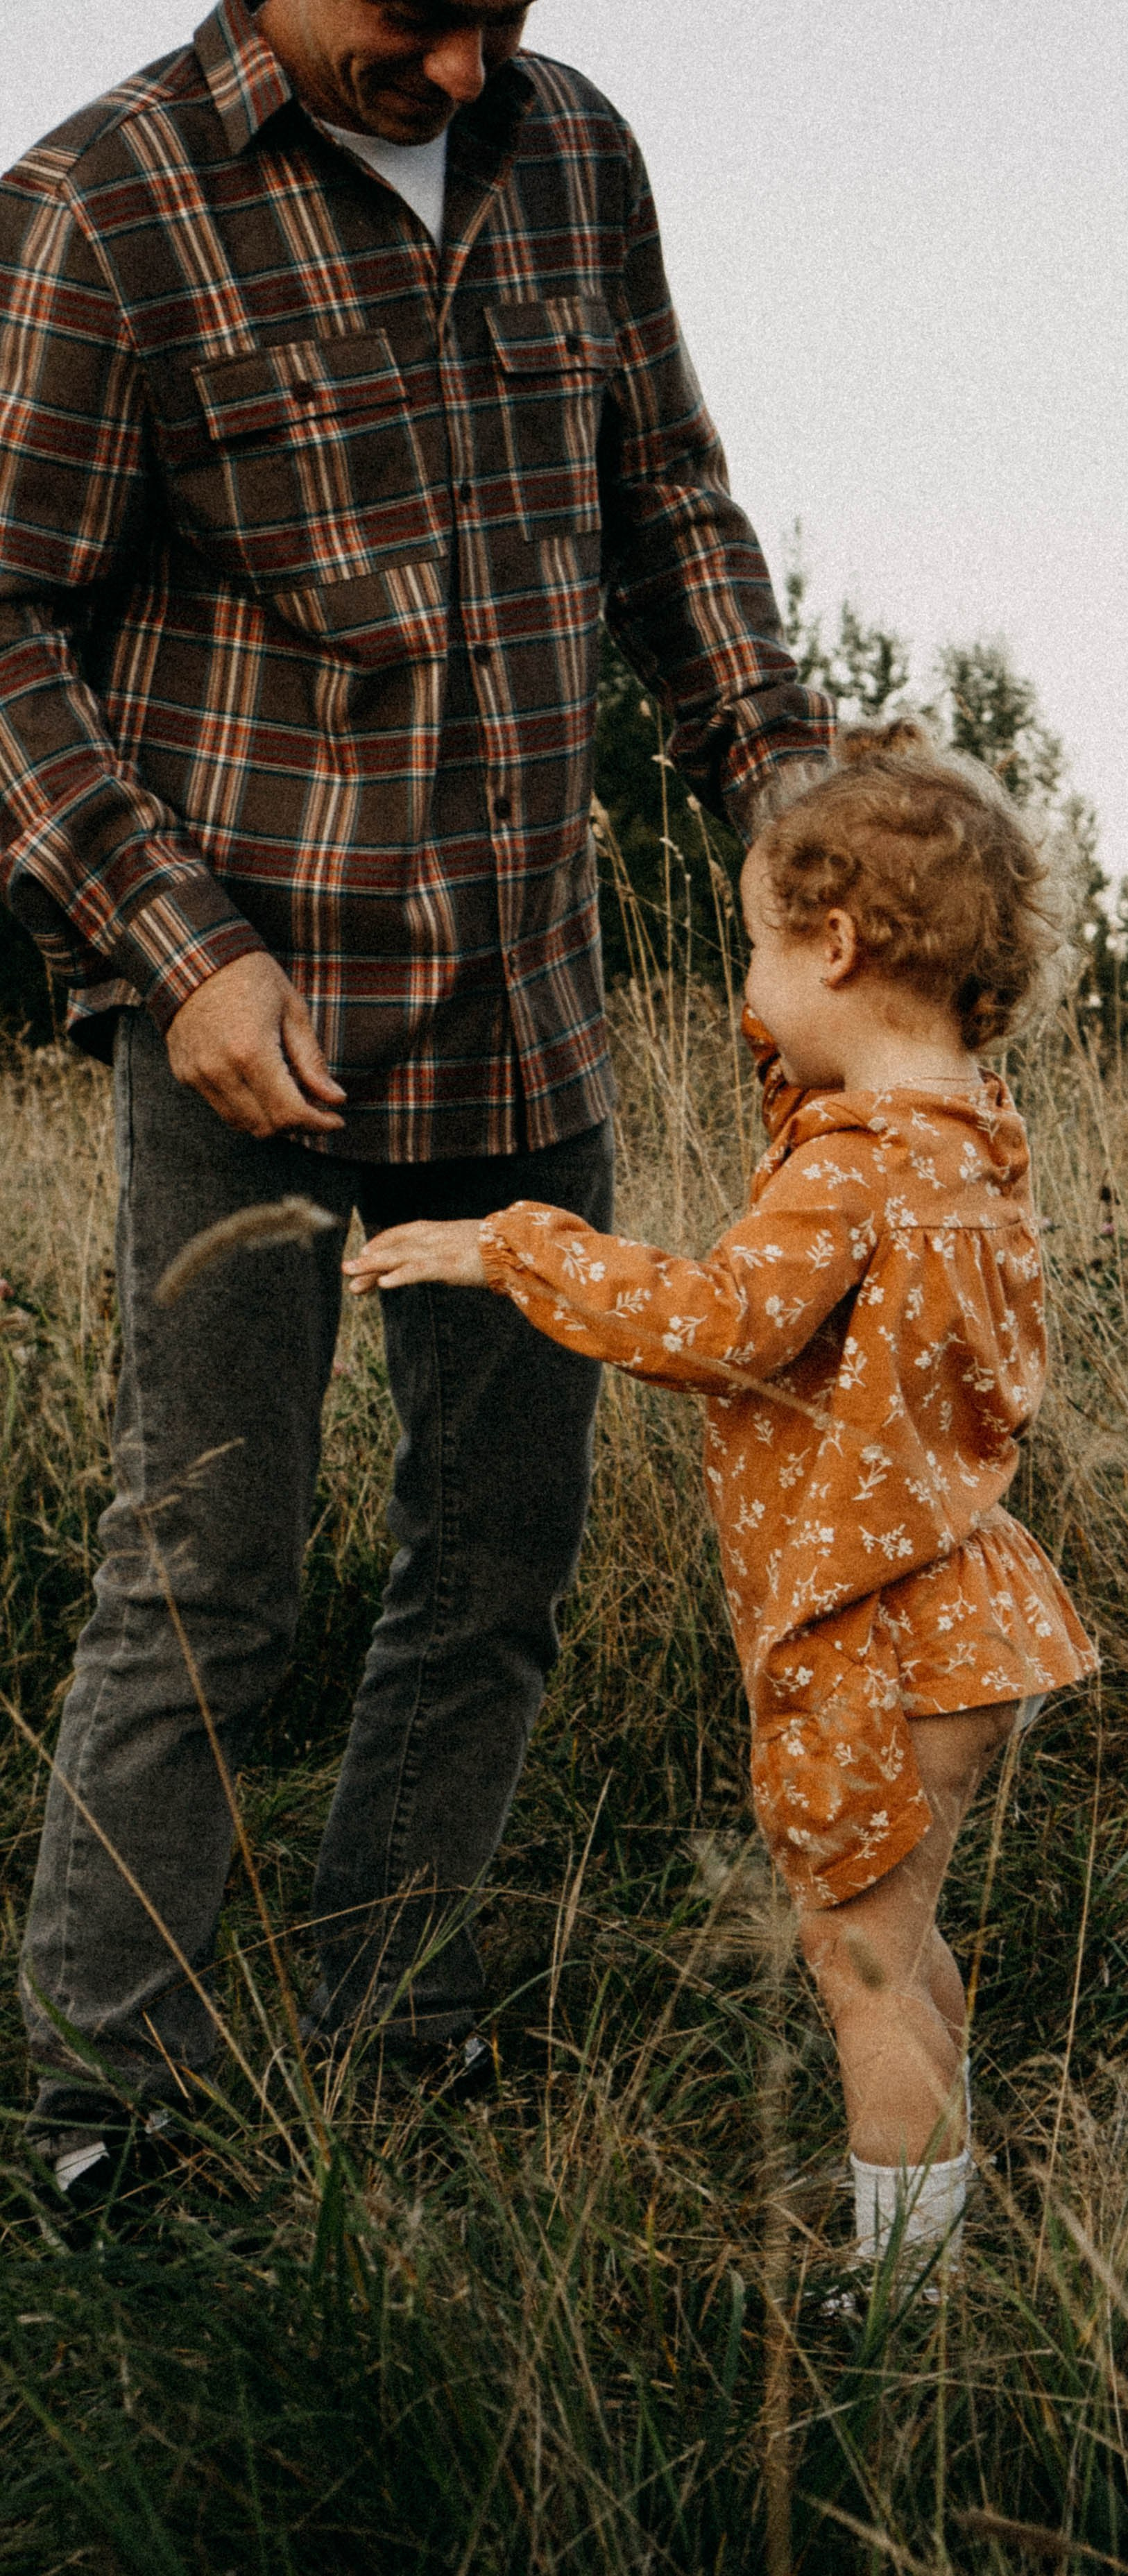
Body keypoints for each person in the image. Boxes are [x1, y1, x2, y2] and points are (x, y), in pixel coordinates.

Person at [0, 0, 832, 2203]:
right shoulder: (103, 204)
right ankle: (110, 2116)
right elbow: (4, 622)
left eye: (506, 12)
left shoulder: (576, 151)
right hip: (246, 1025)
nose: (467, 70)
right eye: (415, 14)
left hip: (524, 1012)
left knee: (499, 1551)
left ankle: (388, 2037)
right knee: (208, 1564)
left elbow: (665, 501)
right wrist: (174, 944)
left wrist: (786, 794)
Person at [345, 723, 1099, 2290]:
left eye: (755, 950)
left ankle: (903, 2294)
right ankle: (928, 2196)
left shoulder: (849, 1170)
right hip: (971, 1605)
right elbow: (834, 1172)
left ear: (837, 945)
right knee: (901, 1940)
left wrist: (511, 1247)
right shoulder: (971, 1138)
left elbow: (716, 1322)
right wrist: (795, 1045)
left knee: (856, 1959)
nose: (742, 992)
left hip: (875, 1633)